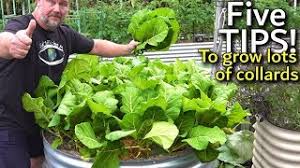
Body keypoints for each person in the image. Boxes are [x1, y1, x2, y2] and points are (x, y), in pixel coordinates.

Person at [0, 0, 138, 167]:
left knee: (36, 161)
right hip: (9, 120)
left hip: (40, 120)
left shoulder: (65, 35)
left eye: (63, 4)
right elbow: (6, 40)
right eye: (51, 2)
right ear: (38, 1)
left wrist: (126, 49)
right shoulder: (21, 24)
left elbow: (96, 46)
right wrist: (13, 44)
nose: (57, 9)